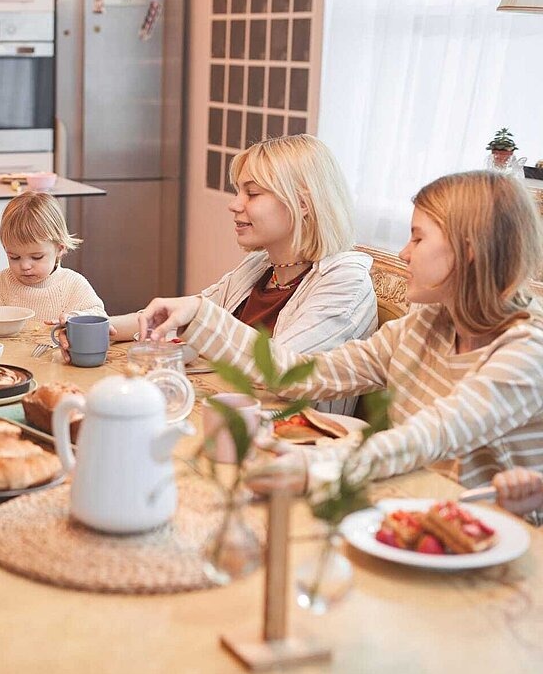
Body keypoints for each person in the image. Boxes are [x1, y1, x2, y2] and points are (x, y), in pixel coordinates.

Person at [140, 170, 543, 492]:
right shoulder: (427, 325)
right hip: (411, 503)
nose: (403, 252)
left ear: (470, 250)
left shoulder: (526, 352)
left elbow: (428, 436)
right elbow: (297, 372)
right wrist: (198, 314)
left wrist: (314, 469)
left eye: (418, 238)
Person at [58, 134, 377, 414]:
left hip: (290, 446)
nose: (235, 205)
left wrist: (200, 315)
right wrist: (94, 328)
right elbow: (180, 319)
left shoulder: (345, 279)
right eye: (238, 191)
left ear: (303, 203)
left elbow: (284, 371)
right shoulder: (261, 268)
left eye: (252, 194)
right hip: (225, 417)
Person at [0, 191, 105, 322]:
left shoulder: (73, 285)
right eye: (14, 257)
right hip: (7, 358)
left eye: (36, 257)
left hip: (53, 357)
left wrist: (75, 318)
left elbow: (99, 315)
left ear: (59, 249)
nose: (24, 266)